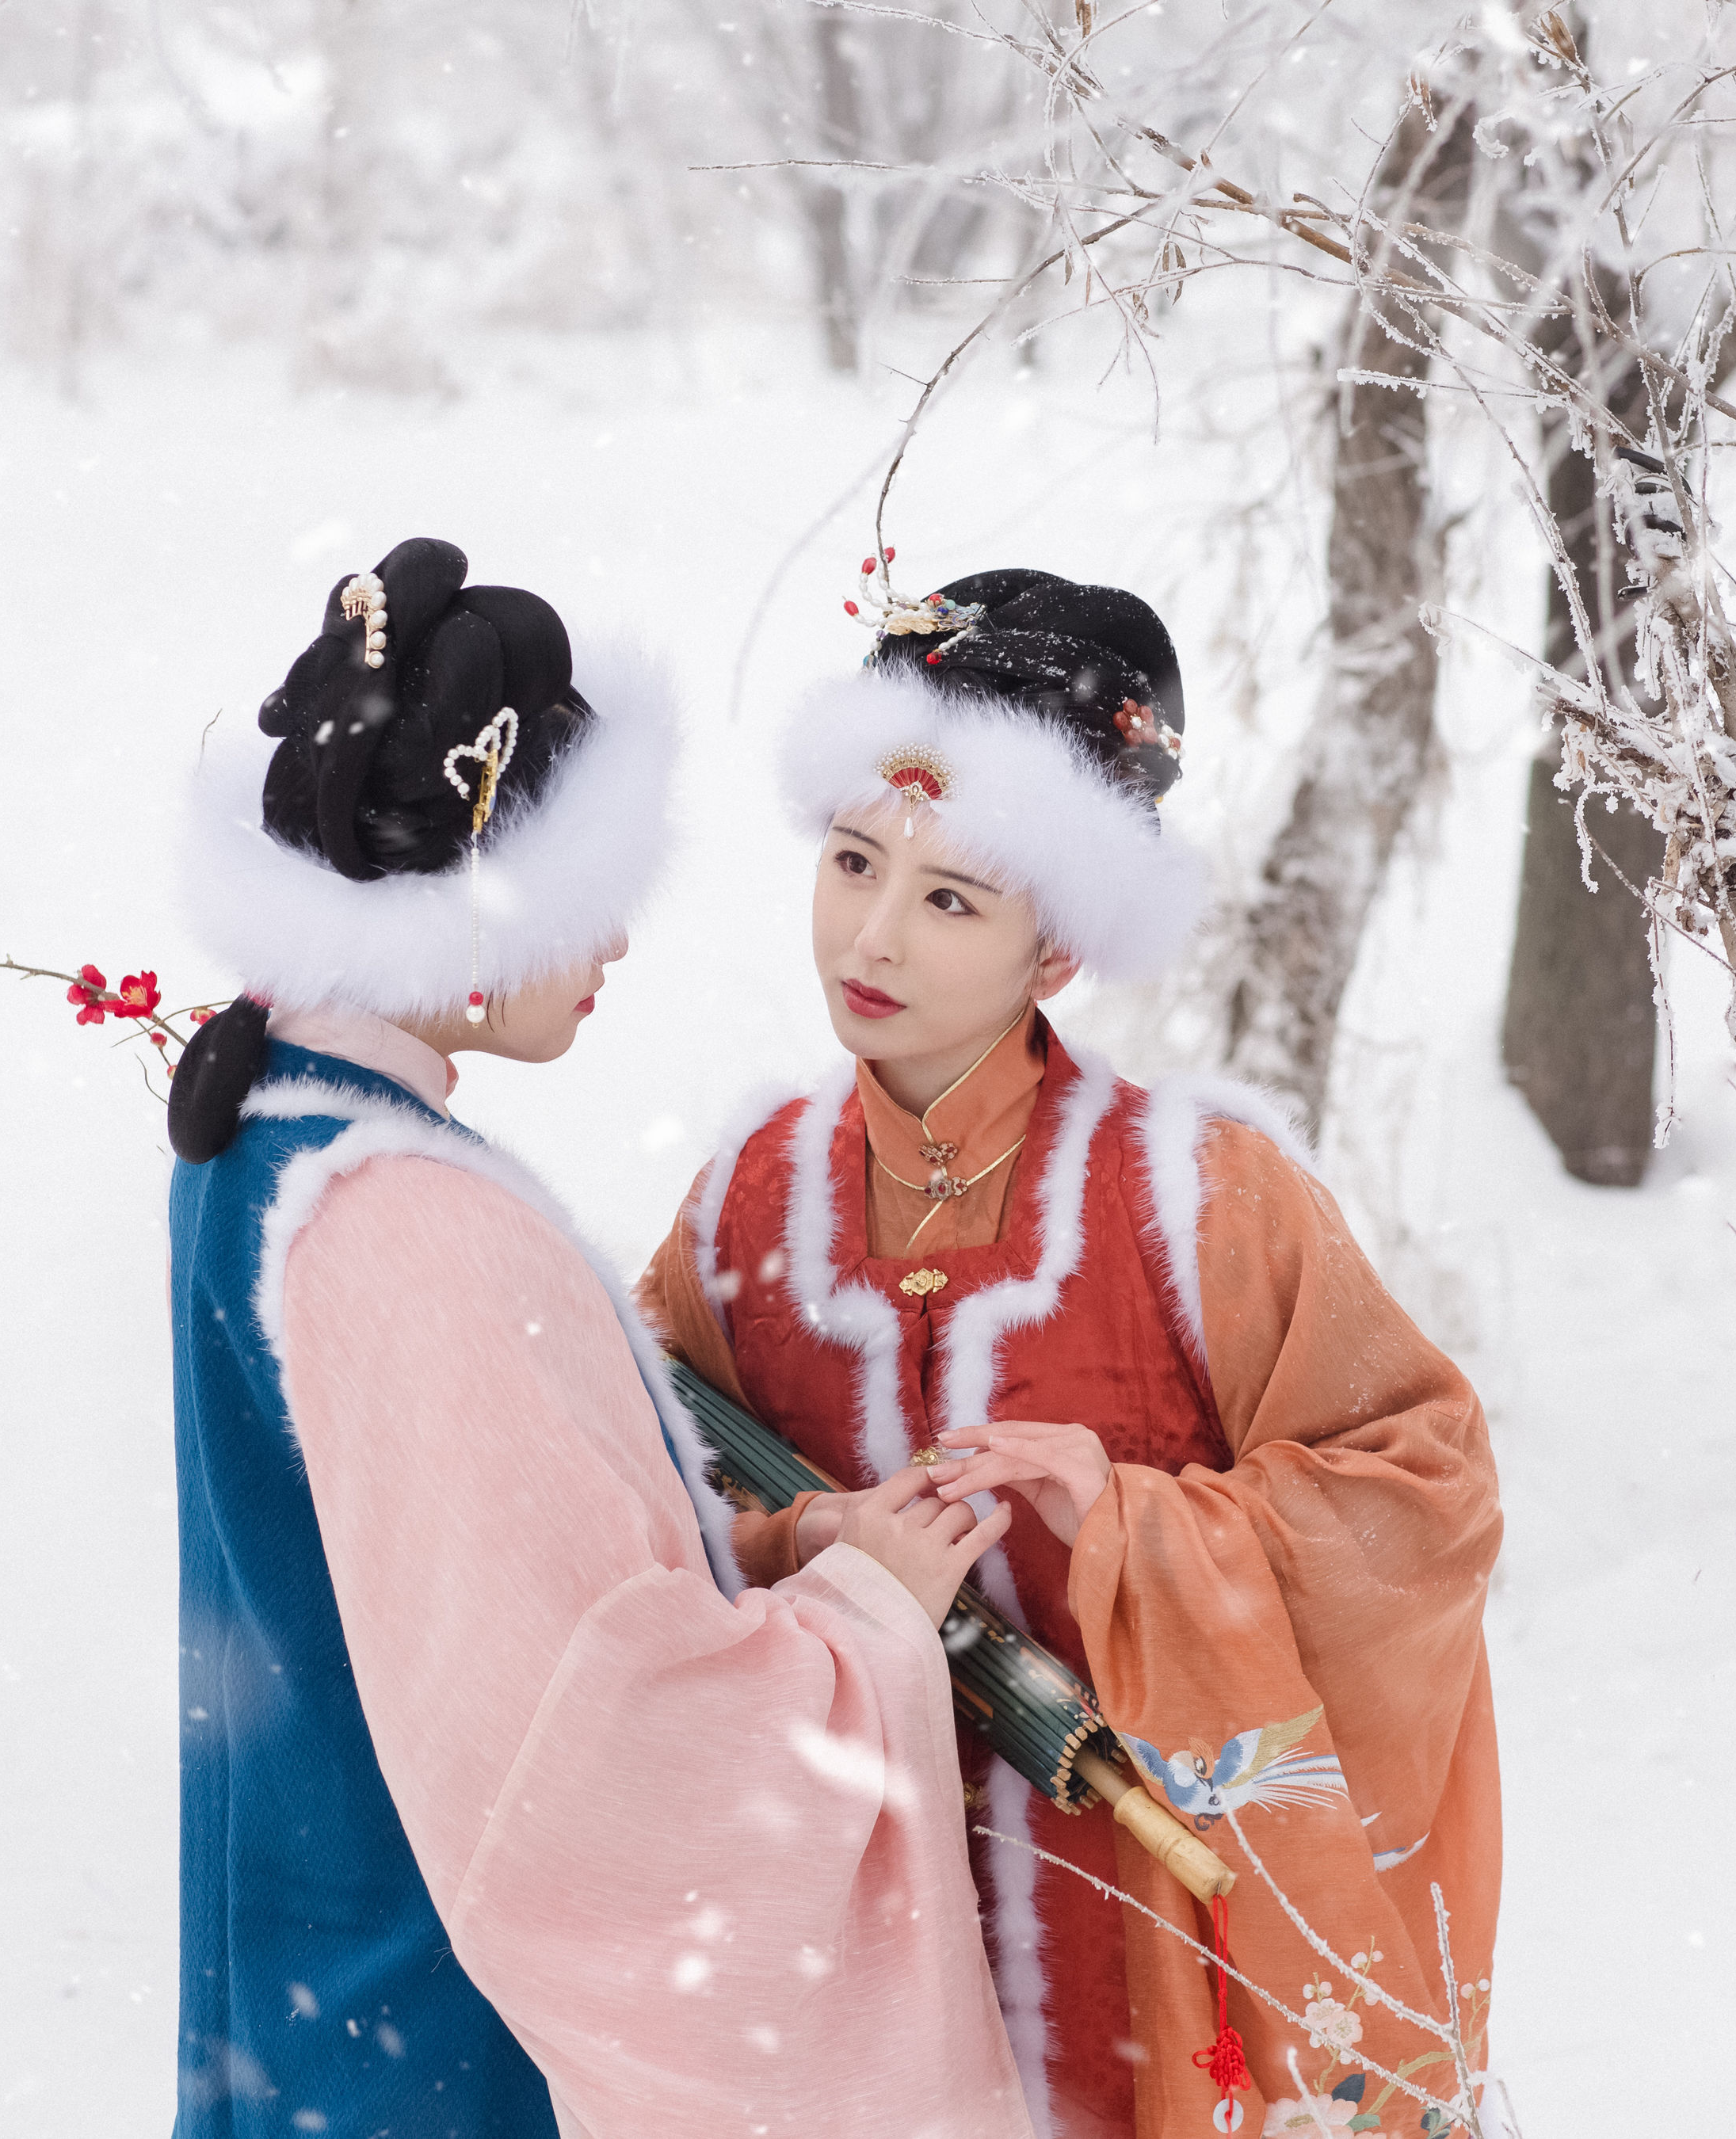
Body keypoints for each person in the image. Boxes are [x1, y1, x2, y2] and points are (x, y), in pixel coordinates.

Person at [163, 537, 1031, 2139]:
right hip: (445, 2029)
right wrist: (859, 1618)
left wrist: (759, 1556)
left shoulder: (265, 1123)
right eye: (595, 891)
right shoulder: (409, 1220)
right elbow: (602, 1755)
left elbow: (459, 1598)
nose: (620, 943)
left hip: (316, 1976)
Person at [638, 569, 1504, 2139]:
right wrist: (810, 1546)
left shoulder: (1199, 1200)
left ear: (1059, 952)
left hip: (1149, 1957)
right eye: (851, 862)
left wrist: (1138, 1529)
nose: (871, 933)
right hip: (853, 1962)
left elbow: (1427, 1500)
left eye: (951, 897)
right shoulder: (748, 1200)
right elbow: (634, 1518)